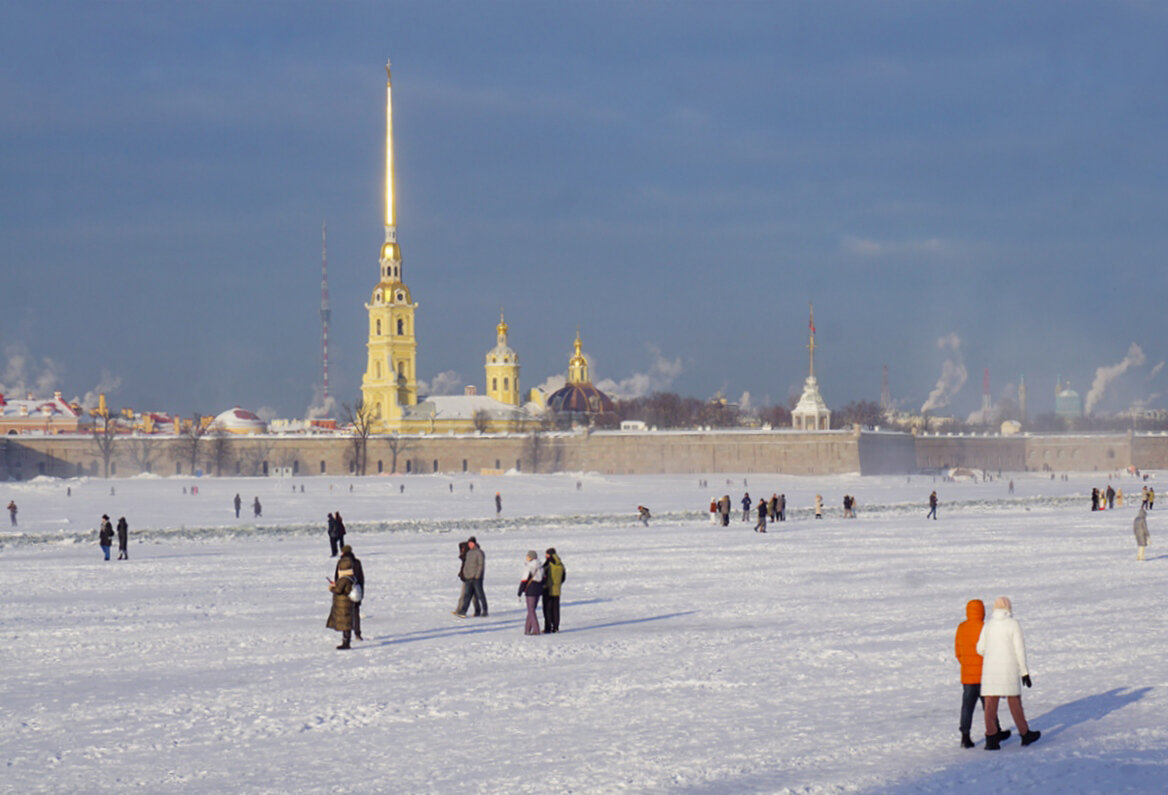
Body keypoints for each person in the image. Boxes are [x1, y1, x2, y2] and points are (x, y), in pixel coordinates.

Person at [977, 596, 1041, 749]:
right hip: (1008, 669)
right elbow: (1019, 650)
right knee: (1014, 703)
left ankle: (991, 738)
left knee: (990, 705)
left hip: (991, 671)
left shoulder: (989, 625)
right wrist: (1024, 672)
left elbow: (980, 648)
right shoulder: (1013, 624)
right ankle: (1025, 734)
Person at [954, 599, 1006, 748]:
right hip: (985, 675)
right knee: (989, 706)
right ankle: (995, 732)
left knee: (967, 707)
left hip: (968, 676)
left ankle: (965, 736)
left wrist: (966, 665)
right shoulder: (986, 628)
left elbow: (958, 651)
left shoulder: (962, 628)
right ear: (981, 611)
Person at [335, 545, 364, 641]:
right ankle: (358, 634)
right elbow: (361, 578)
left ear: (342, 553)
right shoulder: (357, 562)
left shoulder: (341, 563)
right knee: (356, 612)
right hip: (356, 590)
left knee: (346, 614)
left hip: (344, 591)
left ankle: (346, 637)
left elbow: (337, 578)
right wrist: (361, 593)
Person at [453, 537, 487, 618]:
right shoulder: (469, 553)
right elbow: (466, 565)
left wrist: (478, 575)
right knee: (467, 595)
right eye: (469, 544)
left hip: (477, 578)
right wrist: (465, 574)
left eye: (471, 543)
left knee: (480, 595)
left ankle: (484, 610)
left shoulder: (479, 552)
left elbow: (481, 565)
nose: (470, 545)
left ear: (474, 543)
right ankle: (463, 611)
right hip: (468, 577)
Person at [325, 568, 356, 650]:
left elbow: (338, 590)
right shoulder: (351, 577)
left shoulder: (344, 579)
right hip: (347, 604)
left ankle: (346, 643)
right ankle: (346, 642)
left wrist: (331, 588)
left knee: (345, 624)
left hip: (343, 604)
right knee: (347, 623)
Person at [517, 550, 544, 635]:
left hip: (531, 589)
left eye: (528, 556)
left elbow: (524, 579)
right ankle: (527, 629)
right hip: (538, 589)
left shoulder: (529, 566)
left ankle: (536, 630)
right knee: (532, 610)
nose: (526, 557)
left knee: (531, 610)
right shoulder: (540, 566)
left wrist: (520, 591)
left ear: (531, 557)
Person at [542, 548, 566, 633]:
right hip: (557, 590)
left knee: (547, 609)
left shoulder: (548, 564)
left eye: (547, 554)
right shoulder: (561, 564)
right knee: (556, 610)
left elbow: (543, 575)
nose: (545, 556)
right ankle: (556, 627)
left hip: (547, 589)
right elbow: (563, 578)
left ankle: (548, 627)